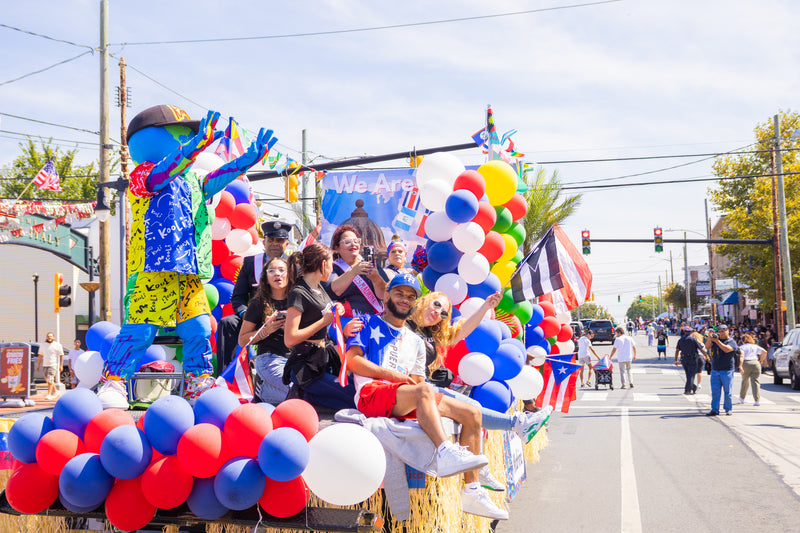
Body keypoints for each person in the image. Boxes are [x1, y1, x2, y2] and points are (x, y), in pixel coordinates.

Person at [96, 105, 276, 409]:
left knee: (199, 329)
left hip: (189, 271)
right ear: (146, 138)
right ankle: (113, 380)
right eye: (180, 134)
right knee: (141, 329)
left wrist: (247, 160)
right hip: (154, 269)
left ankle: (198, 381)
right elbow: (163, 175)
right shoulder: (143, 175)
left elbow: (217, 178)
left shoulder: (193, 181)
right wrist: (193, 148)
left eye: (190, 136)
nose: (188, 139)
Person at [345, 273, 508, 520]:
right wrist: (393, 376)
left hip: (400, 397)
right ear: (387, 294)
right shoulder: (367, 322)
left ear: (414, 302)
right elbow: (352, 361)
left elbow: (418, 384)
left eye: (410, 296)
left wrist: (417, 390)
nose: (404, 299)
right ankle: (446, 451)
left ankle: (473, 491)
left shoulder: (416, 341)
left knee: (472, 412)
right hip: (371, 395)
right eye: (399, 293)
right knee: (425, 391)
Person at [405, 290, 552, 489]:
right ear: (424, 301)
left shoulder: (430, 333)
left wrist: (485, 307)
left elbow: (462, 331)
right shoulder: (402, 324)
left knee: (473, 405)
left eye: (444, 313)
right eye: (436, 305)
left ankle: (480, 466)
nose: (439, 312)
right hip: (408, 392)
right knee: (466, 407)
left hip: (422, 389)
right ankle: (516, 424)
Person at [283, 243, 360, 409]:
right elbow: (290, 339)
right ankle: (306, 395)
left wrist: (336, 308)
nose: (332, 268)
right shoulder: (299, 292)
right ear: (323, 264)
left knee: (356, 393)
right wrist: (323, 322)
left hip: (323, 360)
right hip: (306, 367)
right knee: (355, 398)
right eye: (331, 264)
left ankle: (310, 398)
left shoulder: (319, 288)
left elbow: (325, 312)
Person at [217, 220, 292, 375]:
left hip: (285, 317)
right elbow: (238, 296)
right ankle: (225, 377)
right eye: (271, 240)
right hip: (253, 316)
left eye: (279, 240)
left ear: (287, 244)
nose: (275, 244)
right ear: (264, 242)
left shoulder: (294, 265)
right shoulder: (251, 263)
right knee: (228, 323)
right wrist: (247, 316)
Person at [238, 257, 291, 404]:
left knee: (303, 392)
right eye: (272, 271)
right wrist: (266, 330)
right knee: (297, 391)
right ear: (266, 277)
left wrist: (292, 325)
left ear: (289, 275)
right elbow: (242, 340)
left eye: (281, 270)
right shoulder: (258, 303)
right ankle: (265, 388)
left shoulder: (296, 299)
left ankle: (264, 391)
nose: (277, 274)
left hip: (295, 359)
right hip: (270, 358)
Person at [327, 224, 387, 318]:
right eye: (347, 242)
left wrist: (376, 278)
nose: (353, 244)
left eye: (356, 241)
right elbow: (335, 290)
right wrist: (353, 272)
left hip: (375, 319)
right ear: (336, 248)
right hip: (349, 322)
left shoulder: (371, 264)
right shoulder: (333, 268)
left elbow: (384, 295)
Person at [704, 324, 739, 416]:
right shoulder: (715, 340)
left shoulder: (731, 341)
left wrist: (717, 341)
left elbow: (727, 349)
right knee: (715, 391)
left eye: (723, 331)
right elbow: (707, 347)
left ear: (728, 331)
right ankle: (715, 409)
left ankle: (728, 409)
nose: (722, 333)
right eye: (719, 332)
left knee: (728, 391)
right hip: (715, 369)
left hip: (727, 369)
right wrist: (710, 338)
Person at [674, 327, 707, 395]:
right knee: (691, 375)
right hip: (692, 359)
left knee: (688, 374)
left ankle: (693, 387)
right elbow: (700, 348)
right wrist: (706, 355)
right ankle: (688, 390)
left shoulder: (681, 340)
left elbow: (677, 350)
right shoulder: (693, 339)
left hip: (684, 359)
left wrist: (676, 360)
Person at [737, 333, 767, 406]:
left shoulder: (742, 347)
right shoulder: (755, 346)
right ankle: (757, 400)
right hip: (755, 363)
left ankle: (742, 398)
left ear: (743, 340)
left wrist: (740, 365)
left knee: (745, 381)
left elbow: (742, 356)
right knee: (755, 382)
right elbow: (764, 352)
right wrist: (761, 360)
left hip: (746, 363)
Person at [37, 332, 63, 400]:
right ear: (46, 337)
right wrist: (38, 365)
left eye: (51, 336)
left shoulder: (57, 345)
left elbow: (61, 355)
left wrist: (61, 365)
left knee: (50, 378)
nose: (49, 338)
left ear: (53, 337)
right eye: (48, 336)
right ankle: (56, 391)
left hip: (53, 364)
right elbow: (40, 355)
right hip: (45, 364)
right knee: (47, 379)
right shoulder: (43, 345)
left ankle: (49, 394)